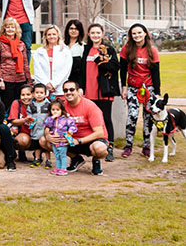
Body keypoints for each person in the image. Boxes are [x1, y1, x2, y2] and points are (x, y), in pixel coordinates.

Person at [69, 23, 120, 161]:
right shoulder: (86, 49)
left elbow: (115, 67)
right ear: (89, 35)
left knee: (106, 119)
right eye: (93, 33)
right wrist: (80, 87)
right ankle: (93, 146)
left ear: (102, 34)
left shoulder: (108, 49)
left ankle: (108, 147)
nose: (95, 35)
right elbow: (81, 70)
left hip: (103, 90)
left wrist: (100, 61)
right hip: (88, 90)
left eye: (98, 33)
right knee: (91, 121)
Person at [119, 23, 161, 159]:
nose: (137, 35)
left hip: (148, 87)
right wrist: (124, 88)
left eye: (139, 33)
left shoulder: (152, 50)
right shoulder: (127, 49)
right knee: (132, 115)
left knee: (148, 117)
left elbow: (156, 73)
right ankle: (128, 145)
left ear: (145, 33)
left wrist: (157, 92)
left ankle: (146, 146)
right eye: (134, 33)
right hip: (133, 87)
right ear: (131, 35)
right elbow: (123, 69)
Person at [60, 79, 109, 175]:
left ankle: (96, 160)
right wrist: (49, 135)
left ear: (79, 91)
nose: (68, 93)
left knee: (99, 148)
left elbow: (100, 133)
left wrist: (79, 141)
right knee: (45, 141)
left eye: (71, 90)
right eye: (65, 90)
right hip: (72, 140)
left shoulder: (90, 106)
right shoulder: (62, 107)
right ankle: (76, 159)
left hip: (92, 140)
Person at [0, 17, 31, 109]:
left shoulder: (21, 44)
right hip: (6, 80)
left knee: (20, 105)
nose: (10, 29)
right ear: (4, 29)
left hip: (21, 79)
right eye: (8, 27)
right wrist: (0, 79)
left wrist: (29, 80)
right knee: (8, 106)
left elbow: (25, 63)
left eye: (12, 27)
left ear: (16, 29)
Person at [32, 25, 72, 98]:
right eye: (49, 34)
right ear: (45, 36)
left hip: (59, 88)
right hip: (43, 90)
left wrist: (53, 84)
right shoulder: (39, 51)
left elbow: (66, 70)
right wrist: (47, 84)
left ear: (58, 36)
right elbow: (37, 70)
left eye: (54, 34)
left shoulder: (65, 52)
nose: (51, 36)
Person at [43, 99, 77, 176]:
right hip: (54, 142)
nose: (55, 111)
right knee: (57, 155)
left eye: (57, 110)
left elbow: (73, 126)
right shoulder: (50, 119)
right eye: (53, 110)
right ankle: (58, 168)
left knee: (62, 155)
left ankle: (63, 168)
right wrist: (52, 117)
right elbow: (46, 124)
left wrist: (71, 131)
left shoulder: (66, 119)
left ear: (62, 110)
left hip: (62, 141)